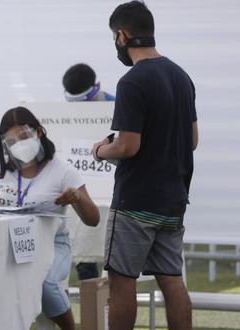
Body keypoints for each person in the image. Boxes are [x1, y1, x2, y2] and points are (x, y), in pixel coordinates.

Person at [91, 2, 198, 329]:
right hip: (173, 200)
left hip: (135, 202)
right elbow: (192, 140)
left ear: (121, 35)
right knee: (171, 280)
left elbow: (128, 145)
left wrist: (100, 150)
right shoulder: (181, 76)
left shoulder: (132, 81)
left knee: (122, 282)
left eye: (114, 37)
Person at [0, 106, 99, 330]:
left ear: (38, 132)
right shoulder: (2, 169)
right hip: (11, 244)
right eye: (11, 142)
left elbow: (93, 219)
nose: (19, 144)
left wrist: (76, 197)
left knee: (46, 282)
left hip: (52, 243)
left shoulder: (62, 170)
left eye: (24, 136)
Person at [63, 63, 115, 281]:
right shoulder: (61, 116)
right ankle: (92, 309)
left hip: (110, 196)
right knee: (85, 261)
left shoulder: (117, 107)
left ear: (97, 87)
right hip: (82, 194)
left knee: (114, 260)